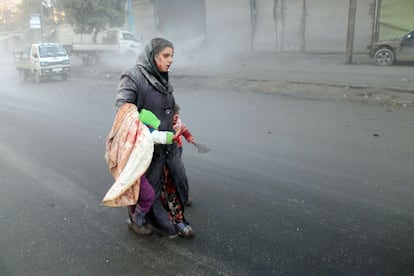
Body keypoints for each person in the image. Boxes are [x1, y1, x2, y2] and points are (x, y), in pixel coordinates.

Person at [115, 37, 193, 238]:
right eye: (166, 56)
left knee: (177, 182)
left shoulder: (161, 76)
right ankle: (140, 218)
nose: (170, 60)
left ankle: (178, 220)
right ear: (153, 56)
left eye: (172, 56)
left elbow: (168, 106)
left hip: (168, 143)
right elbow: (124, 110)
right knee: (150, 190)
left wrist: (176, 121)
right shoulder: (133, 76)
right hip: (147, 146)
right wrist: (149, 131)